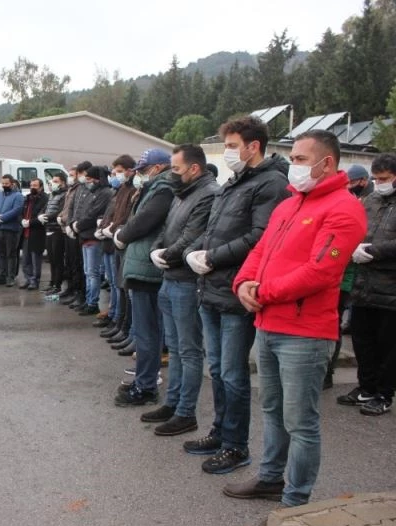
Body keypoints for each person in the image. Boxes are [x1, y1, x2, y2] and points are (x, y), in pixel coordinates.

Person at [223, 130, 366, 526]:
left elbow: (322, 270)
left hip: (305, 333)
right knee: (271, 409)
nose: (294, 166)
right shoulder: (289, 204)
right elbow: (260, 250)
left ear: (327, 164)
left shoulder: (345, 208)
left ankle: (295, 502)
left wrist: (263, 292)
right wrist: (243, 283)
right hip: (269, 324)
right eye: (294, 158)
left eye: (302, 159)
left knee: (300, 421)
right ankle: (271, 478)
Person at [180, 115, 289, 475]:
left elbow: (259, 236)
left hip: (234, 291)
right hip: (212, 287)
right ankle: (220, 431)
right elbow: (214, 229)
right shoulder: (235, 181)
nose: (227, 152)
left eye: (231, 145)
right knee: (218, 369)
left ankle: (236, 446)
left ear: (252, 146)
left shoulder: (270, 182)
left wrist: (212, 257)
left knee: (232, 373)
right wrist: (194, 252)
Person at [138, 144, 219, 437]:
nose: (173, 173)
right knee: (174, 348)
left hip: (186, 280)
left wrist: (169, 254)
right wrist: (158, 249)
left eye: (176, 168)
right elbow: (167, 229)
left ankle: (186, 412)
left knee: (189, 350)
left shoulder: (208, 193)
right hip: (170, 278)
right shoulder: (181, 192)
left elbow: (193, 236)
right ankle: (173, 403)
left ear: (194, 168)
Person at [113, 148, 175, 406]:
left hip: (146, 269)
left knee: (148, 332)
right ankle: (144, 380)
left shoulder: (163, 188)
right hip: (142, 265)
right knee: (147, 331)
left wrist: (122, 235)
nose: (140, 175)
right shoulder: (156, 187)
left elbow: (143, 220)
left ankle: (147, 385)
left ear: (158, 167)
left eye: (144, 170)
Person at [338, 153, 396, 415]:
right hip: (362, 287)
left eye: (384, 178)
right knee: (362, 341)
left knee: (388, 346)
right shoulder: (370, 200)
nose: (379, 182)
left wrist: (375, 251)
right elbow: (354, 228)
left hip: (390, 289)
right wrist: (349, 248)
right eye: (376, 178)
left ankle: (384, 394)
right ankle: (366, 388)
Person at [324, 164, 369, 388]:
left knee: (333, 325)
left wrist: (332, 255)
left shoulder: (353, 206)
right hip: (332, 274)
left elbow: (337, 247)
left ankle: (327, 371)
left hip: (344, 278)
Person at [99, 155, 138, 348]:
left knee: (125, 289)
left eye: (119, 172)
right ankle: (121, 325)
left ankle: (128, 329)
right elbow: (114, 214)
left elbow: (126, 217)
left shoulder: (134, 190)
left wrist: (114, 230)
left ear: (130, 170)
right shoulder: (121, 189)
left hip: (124, 242)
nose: (115, 176)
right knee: (119, 286)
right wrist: (105, 227)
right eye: (114, 172)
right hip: (115, 241)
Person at [71, 165, 113, 315]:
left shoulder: (105, 193)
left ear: (97, 179)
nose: (86, 182)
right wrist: (74, 223)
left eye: (89, 179)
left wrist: (78, 225)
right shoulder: (93, 192)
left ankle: (92, 302)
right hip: (85, 235)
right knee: (88, 272)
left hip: (93, 237)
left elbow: (93, 213)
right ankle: (89, 300)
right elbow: (83, 210)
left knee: (93, 273)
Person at [59, 161, 92, 310]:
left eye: (79, 174)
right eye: (76, 174)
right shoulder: (76, 189)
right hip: (71, 229)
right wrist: (69, 223)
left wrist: (75, 225)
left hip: (82, 232)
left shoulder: (88, 189)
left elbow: (86, 212)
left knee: (82, 266)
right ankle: (75, 290)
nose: (77, 177)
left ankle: (82, 294)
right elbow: (71, 208)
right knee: (72, 262)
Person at [0, 174, 25, 287]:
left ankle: (10, 278)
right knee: (2, 254)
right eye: (3, 183)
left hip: (11, 229)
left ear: (12, 183)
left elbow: (17, 210)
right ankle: (2, 277)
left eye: (6, 184)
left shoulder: (18, 195)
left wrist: (1, 218)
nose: (4, 185)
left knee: (11, 254)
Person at [40, 171, 68, 293]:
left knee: (57, 259)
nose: (53, 183)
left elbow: (60, 211)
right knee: (51, 259)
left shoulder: (64, 195)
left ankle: (57, 285)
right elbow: (45, 208)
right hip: (48, 229)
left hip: (57, 230)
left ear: (63, 183)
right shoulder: (52, 195)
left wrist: (48, 217)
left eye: (56, 181)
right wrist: (41, 215)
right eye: (53, 181)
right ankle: (52, 282)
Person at [20, 178, 49, 290]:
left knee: (35, 259)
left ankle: (35, 281)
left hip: (37, 233)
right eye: (31, 185)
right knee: (25, 259)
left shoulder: (45, 199)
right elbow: (21, 212)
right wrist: (22, 220)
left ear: (41, 187)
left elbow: (44, 216)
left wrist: (30, 222)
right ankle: (28, 279)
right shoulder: (27, 198)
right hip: (26, 233)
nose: (33, 187)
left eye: (35, 185)